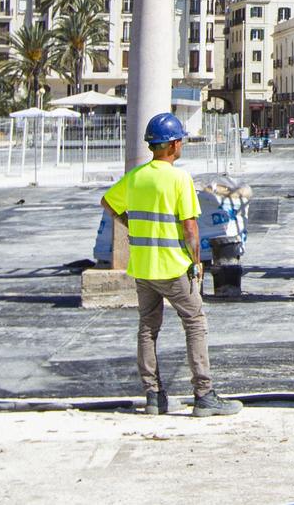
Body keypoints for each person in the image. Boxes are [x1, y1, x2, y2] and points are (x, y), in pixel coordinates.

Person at [100, 112, 241, 418]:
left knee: (148, 329)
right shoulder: (179, 178)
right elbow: (190, 227)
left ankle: (153, 396)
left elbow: (108, 203)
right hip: (173, 267)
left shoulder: (137, 176)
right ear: (174, 144)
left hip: (143, 267)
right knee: (195, 324)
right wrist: (196, 262)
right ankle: (204, 395)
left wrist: (130, 224)